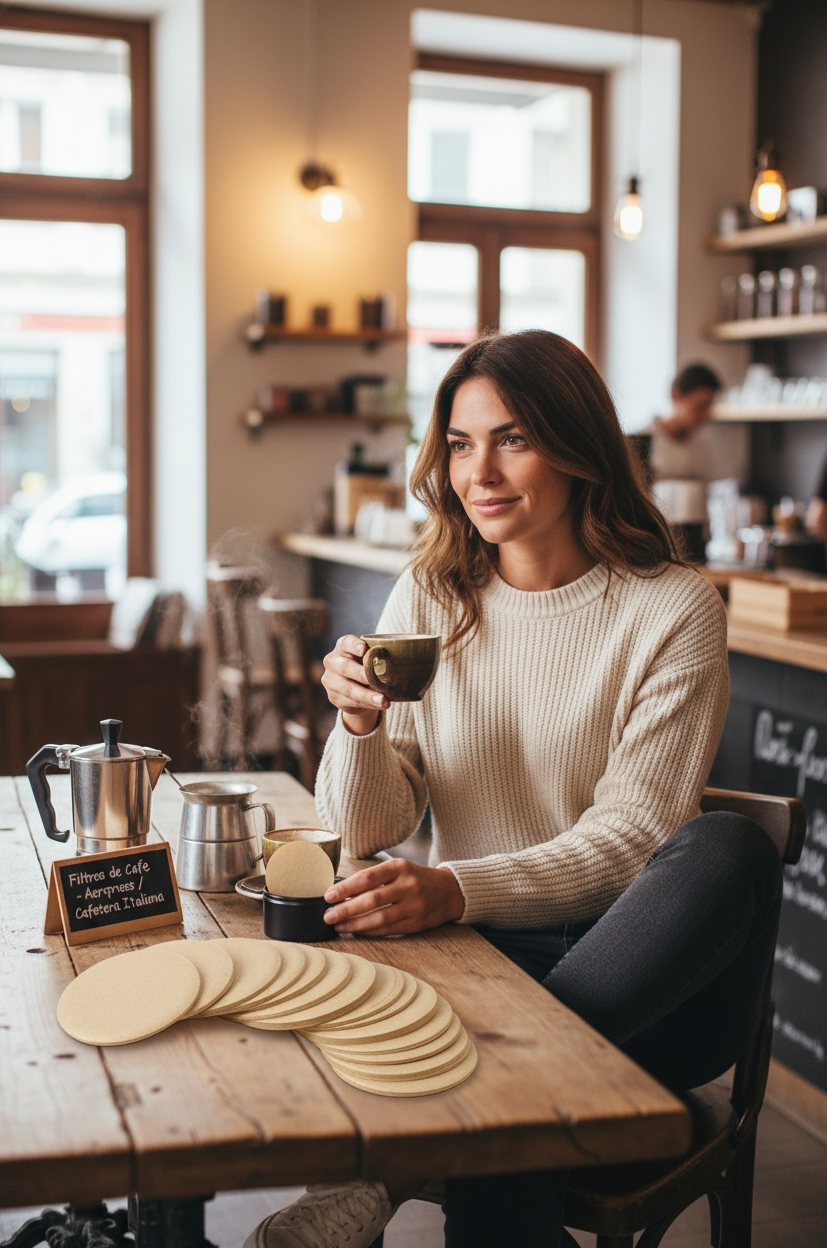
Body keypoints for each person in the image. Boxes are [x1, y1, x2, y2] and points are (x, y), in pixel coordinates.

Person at [244, 331, 783, 1248]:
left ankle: (407, 1156)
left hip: (645, 981)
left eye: (514, 438)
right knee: (517, 1112)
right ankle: (487, 1112)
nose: (478, 471)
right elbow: (365, 825)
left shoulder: (673, 608)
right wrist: (361, 726)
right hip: (480, 967)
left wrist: (456, 886)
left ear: (578, 447)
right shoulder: (432, 596)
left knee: (726, 848)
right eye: (459, 442)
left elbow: (631, 839)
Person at [646, 361, 723, 483]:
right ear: (676, 397)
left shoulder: (701, 446)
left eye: (709, 408)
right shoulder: (644, 442)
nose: (705, 415)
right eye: (700, 407)